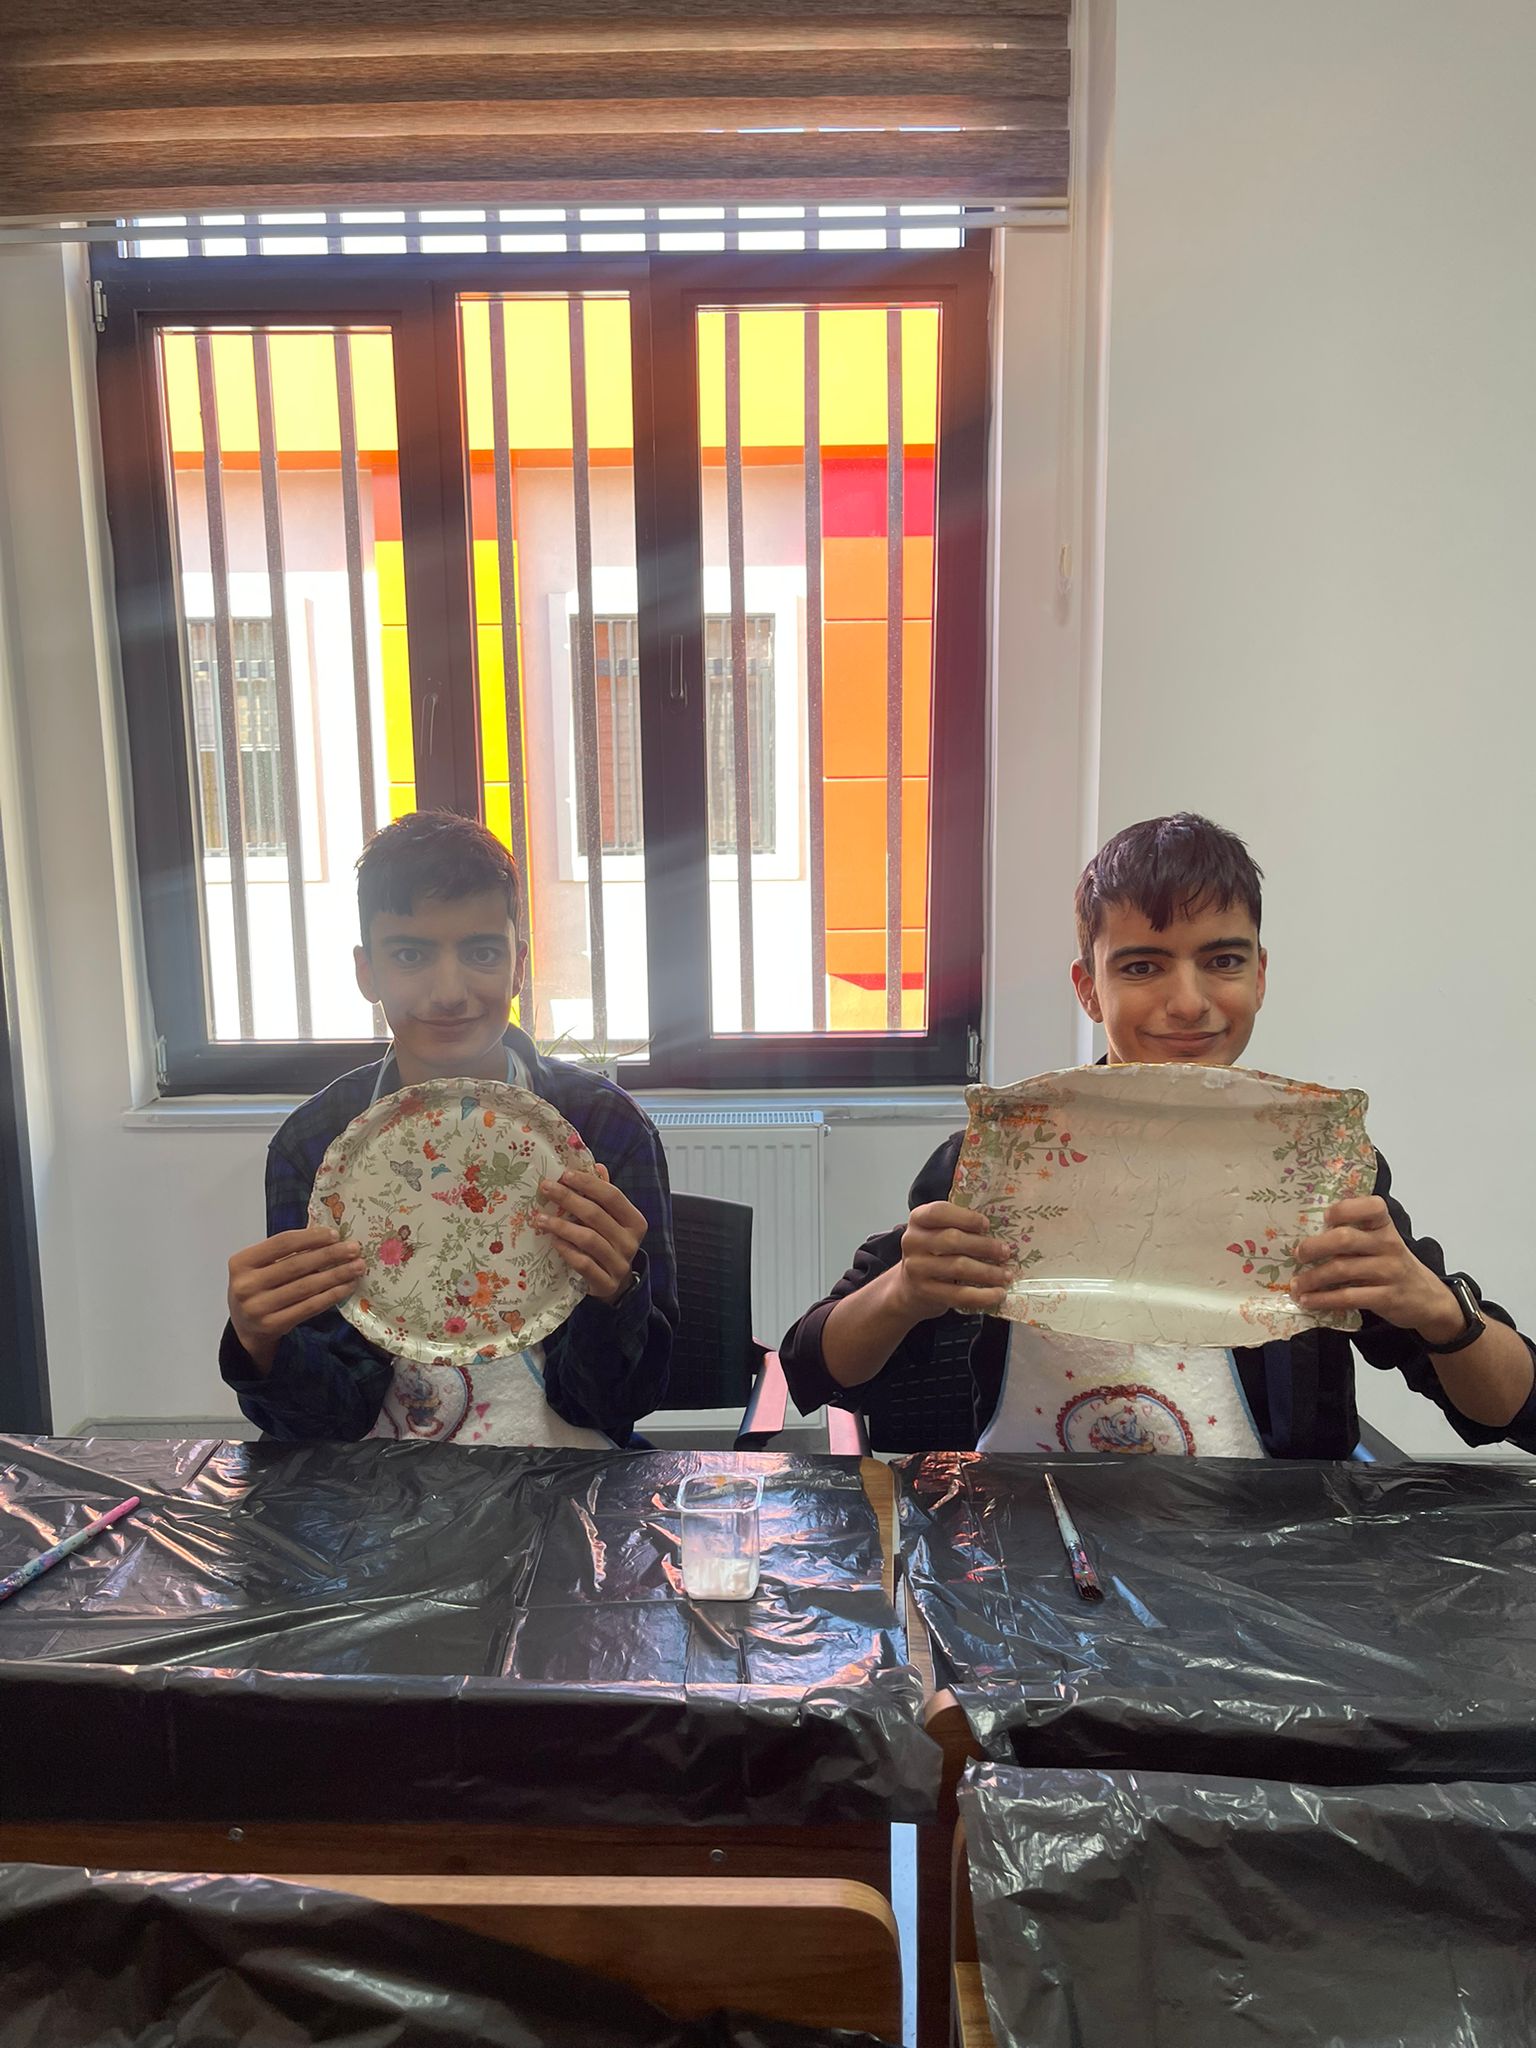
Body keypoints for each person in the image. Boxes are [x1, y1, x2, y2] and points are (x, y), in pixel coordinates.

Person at [782, 813, 1536, 1457]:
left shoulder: (1318, 1174)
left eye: (1223, 961)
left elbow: (1514, 1410)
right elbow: (813, 1369)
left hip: (1268, 1553)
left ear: (1260, 976)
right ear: (1089, 989)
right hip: (1041, 1536)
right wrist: (905, 1292)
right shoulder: (1003, 1160)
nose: (1189, 1002)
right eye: (1143, 966)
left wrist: (1439, 1310)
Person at [221, 811, 676, 1446]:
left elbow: (615, 1406)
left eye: (481, 952)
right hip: (378, 1478)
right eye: (410, 954)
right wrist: (259, 1343)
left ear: (518, 966)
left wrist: (616, 1297)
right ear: (367, 972)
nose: (449, 992)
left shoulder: (603, 1128)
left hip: (563, 1470)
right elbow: (331, 1420)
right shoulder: (319, 1145)